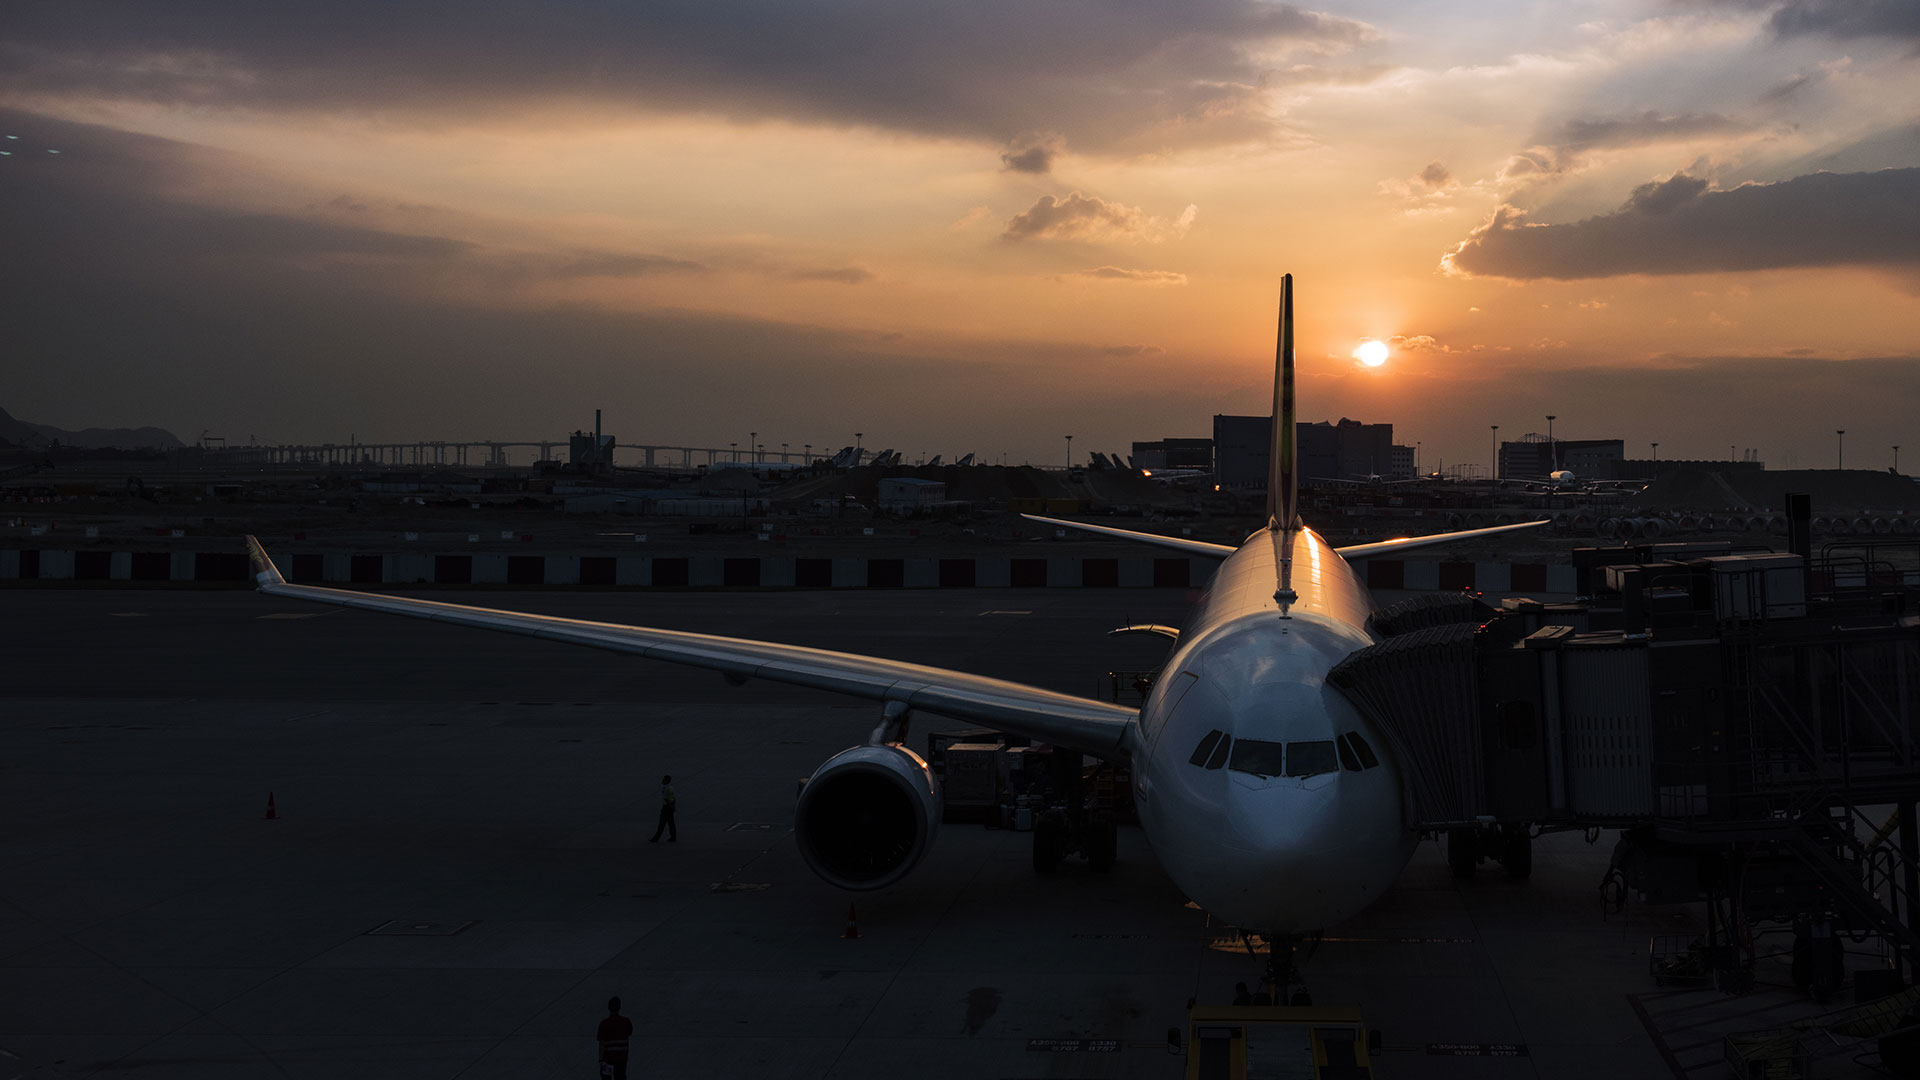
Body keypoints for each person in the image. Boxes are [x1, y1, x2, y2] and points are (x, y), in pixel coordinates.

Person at [596, 996, 633, 1079]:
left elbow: (602, 1044)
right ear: (619, 1007)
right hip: (621, 1061)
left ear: (609, 1008)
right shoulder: (626, 1022)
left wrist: (601, 1060)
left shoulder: (603, 1024)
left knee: (607, 1078)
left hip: (608, 1061)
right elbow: (629, 1032)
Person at [649, 774, 677, 842]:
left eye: (664, 779)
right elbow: (673, 798)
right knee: (671, 823)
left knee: (662, 823)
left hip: (666, 808)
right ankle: (673, 837)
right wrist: (673, 807)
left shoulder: (665, 788)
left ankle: (656, 838)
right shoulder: (671, 788)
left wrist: (670, 806)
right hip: (670, 807)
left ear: (666, 780)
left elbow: (667, 799)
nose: (662, 780)